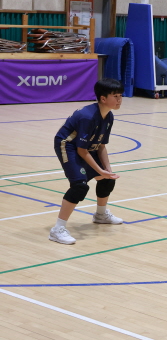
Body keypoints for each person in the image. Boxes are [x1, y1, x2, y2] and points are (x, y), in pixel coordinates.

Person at [49, 78, 124, 245]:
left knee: (107, 179)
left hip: (85, 147)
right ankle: (57, 229)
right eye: (115, 96)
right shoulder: (87, 117)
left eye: (121, 96)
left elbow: (101, 146)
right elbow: (81, 151)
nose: (119, 100)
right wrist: (100, 170)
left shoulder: (109, 116)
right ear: (103, 98)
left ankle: (101, 215)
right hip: (68, 145)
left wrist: (107, 170)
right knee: (79, 186)